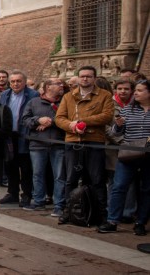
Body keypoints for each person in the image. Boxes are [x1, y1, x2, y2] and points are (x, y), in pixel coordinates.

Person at [55, 66, 114, 225]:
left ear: (94, 78)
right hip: (73, 140)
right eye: (82, 76)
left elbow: (107, 116)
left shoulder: (104, 95)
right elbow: (59, 118)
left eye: (88, 76)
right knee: (71, 179)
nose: (85, 79)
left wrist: (83, 121)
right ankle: (68, 211)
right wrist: (71, 126)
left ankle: (101, 214)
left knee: (97, 179)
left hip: (94, 141)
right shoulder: (68, 96)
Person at [98, 79, 149, 235]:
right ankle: (112, 220)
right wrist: (119, 125)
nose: (135, 93)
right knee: (119, 186)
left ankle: (140, 222)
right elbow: (115, 132)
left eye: (139, 90)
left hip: (148, 155)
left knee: (146, 189)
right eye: (136, 90)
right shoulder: (128, 110)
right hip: (129, 154)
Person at [22, 78, 67, 215]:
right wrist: (38, 120)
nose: (61, 86)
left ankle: (59, 204)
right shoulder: (34, 102)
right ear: (48, 87)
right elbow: (25, 120)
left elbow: (69, 119)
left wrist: (51, 122)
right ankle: (38, 201)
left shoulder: (65, 102)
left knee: (59, 176)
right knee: (38, 174)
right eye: (58, 84)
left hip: (58, 144)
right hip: (38, 144)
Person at [0, 70, 38, 207]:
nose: (15, 84)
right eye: (13, 81)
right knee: (10, 165)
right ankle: (12, 193)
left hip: (24, 135)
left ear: (24, 82)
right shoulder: (4, 95)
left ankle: (26, 194)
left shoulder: (33, 95)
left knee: (26, 167)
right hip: (9, 136)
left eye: (19, 81)